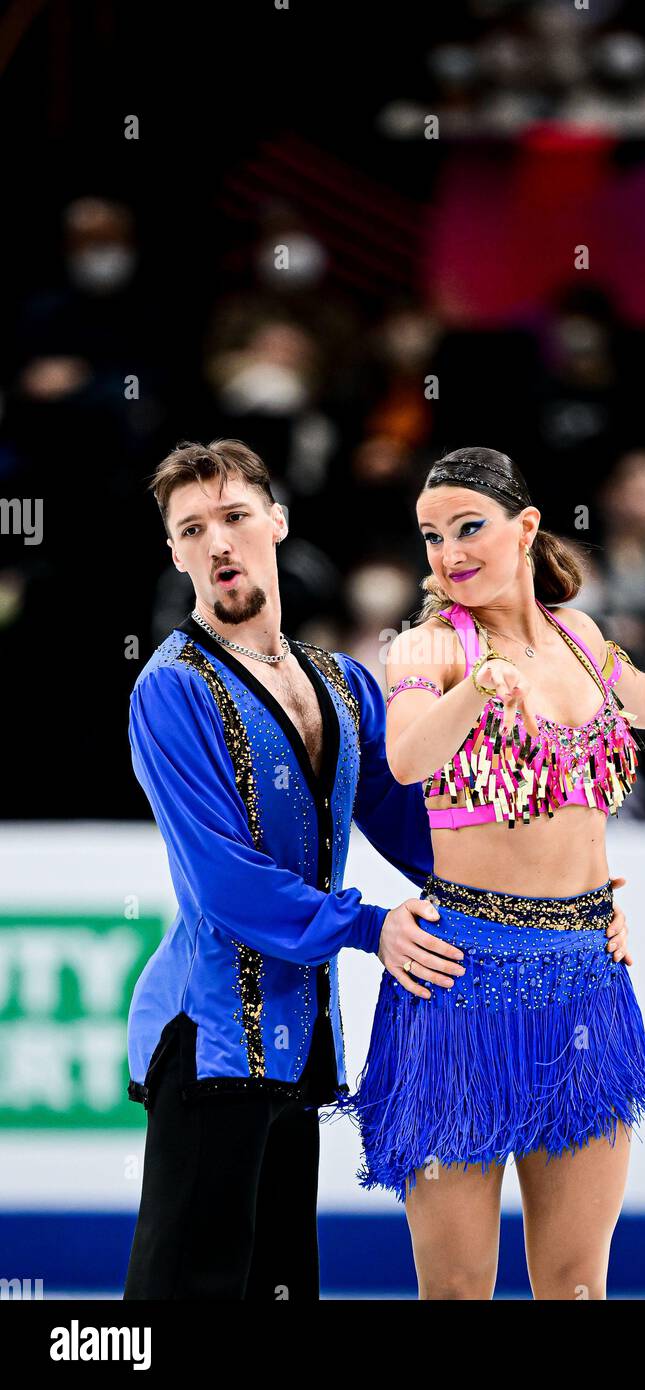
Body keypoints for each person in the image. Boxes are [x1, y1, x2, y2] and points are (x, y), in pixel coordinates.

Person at [341, 446, 645, 1301]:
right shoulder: (424, 651)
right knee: (455, 1291)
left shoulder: (579, 633)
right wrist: (475, 691)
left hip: (587, 977)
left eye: (468, 527)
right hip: (463, 983)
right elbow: (407, 758)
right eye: (432, 535)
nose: (448, 553)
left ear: (526, 528)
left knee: (576, 1286)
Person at [122, 437, 450, 1300]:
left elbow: (412, 827)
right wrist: (371, 928)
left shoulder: (343, 682)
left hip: (301, 1045)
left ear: (277, 521)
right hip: (210, 1036)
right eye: (192, 529)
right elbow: (223, 880)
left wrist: (527, 884)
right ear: (175, 553)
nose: (218, 543)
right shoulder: (172, 688)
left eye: (234, 517)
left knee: (279, 1290)